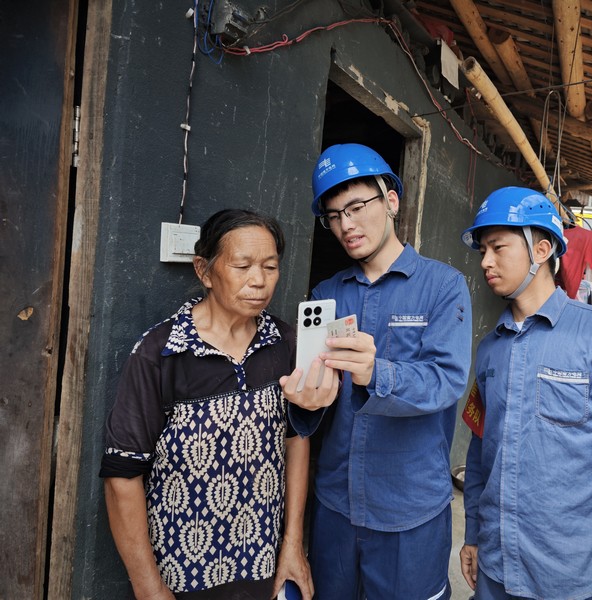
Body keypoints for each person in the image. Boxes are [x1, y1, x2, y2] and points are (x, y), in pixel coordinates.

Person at [100, 210, 326, 600]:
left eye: (270, 267)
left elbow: (295, 442)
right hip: (180, 576)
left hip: (262, 567)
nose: (259, 280)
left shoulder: (285, 344)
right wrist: (149, 587)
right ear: (204, 271)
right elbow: (122, 473)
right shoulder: (162, 353)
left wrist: (291, 543)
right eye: (242, 266)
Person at [280, 144, 472, 600]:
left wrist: (376, 373)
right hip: (336, 507)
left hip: (409, 509)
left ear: (391, 201)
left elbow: (445, 381)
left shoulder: (443, 286)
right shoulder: (328, 293)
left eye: (356, 207)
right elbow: (317, 403)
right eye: (332, 215)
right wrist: (306, 405)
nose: (345, 225)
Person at [458, 187, 592, 600]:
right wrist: (473, 533)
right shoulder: (490, 349)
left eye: (498, 247)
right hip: (495, 571)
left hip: (569, 578)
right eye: (482, 250)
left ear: (542, 250)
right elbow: (480, 453)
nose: (485, 261)